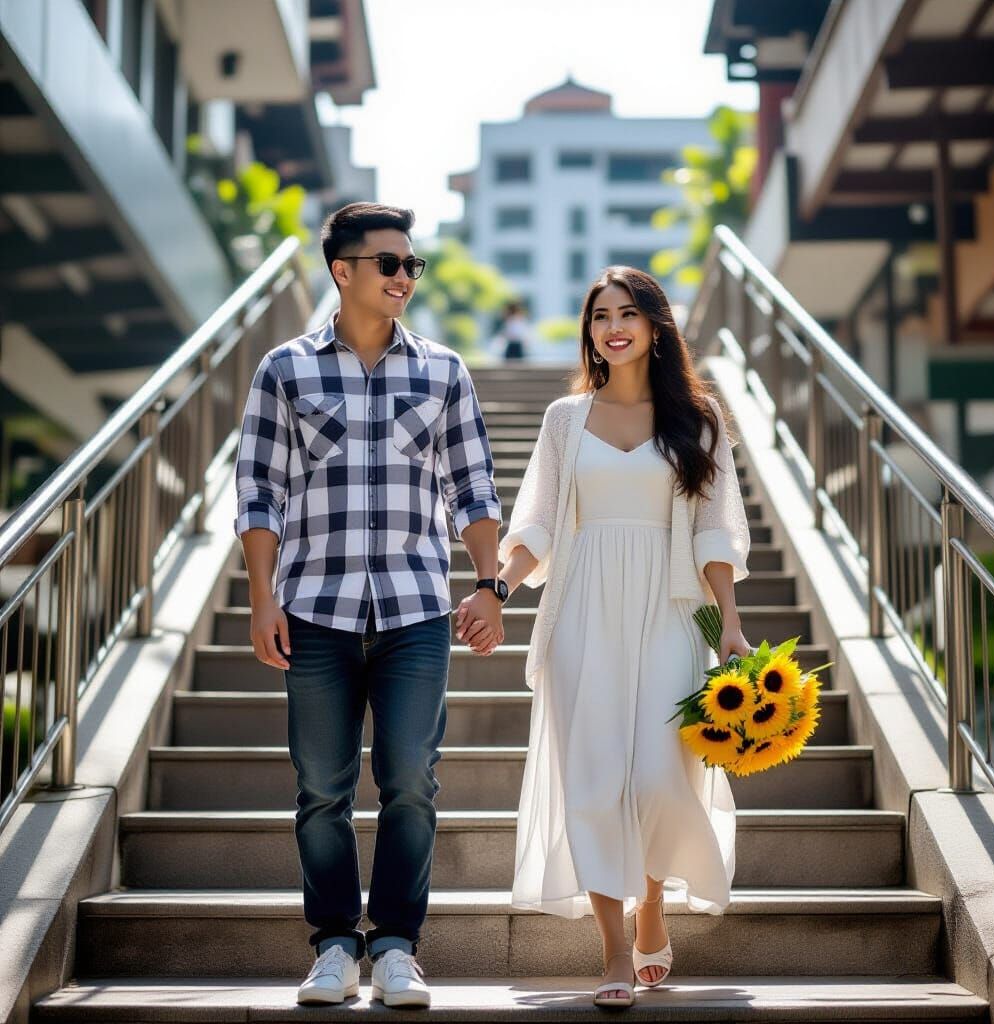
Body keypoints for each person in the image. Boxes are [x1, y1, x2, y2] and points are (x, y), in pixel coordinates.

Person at [234, 202, 505, 1009]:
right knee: (321, 785)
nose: (404, 278)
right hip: (315, 606)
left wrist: (489, 584)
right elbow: (259, 492)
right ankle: (330, 946)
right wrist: (260, 601)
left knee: (411, 781)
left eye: (412, 265)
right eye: (389, 263)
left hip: (416, 608)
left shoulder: (444, 369)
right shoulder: (284, 369)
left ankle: (394, 947)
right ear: (341, 270)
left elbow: (474, 484)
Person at [457, 266, 750, 1007]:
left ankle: (652, 904)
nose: (611, 326)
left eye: (626, 313)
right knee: (592, 782)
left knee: (658, 775)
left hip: (671, 607)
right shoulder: (565, 419)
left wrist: (733, 629)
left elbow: (714, 532)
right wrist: (499, 589)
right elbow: (542, 525)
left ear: (656, 326)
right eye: (598, 315)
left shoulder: (700, 421)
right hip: (581, 608)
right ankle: (614, 951)